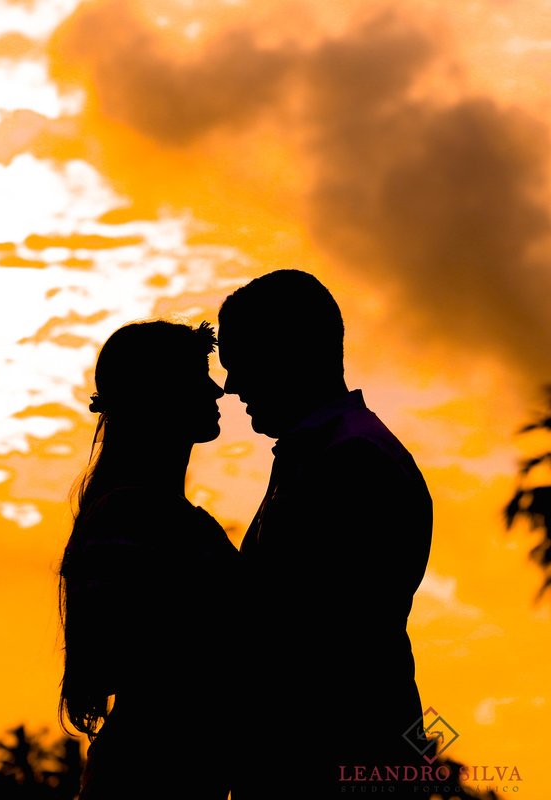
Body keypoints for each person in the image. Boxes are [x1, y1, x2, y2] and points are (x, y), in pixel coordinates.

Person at [218, 270, 434, 797]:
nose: (231, 386)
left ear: (288, 351)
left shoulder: (351, 459)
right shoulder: (324, 452)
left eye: (240, 362)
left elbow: (326, 635)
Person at [57, 319, 237, 799]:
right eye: (198, 378)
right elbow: (109, 661)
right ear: (160, 395)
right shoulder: (130, 514)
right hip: (149, 778)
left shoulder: (159, 515)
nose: (217, 390)